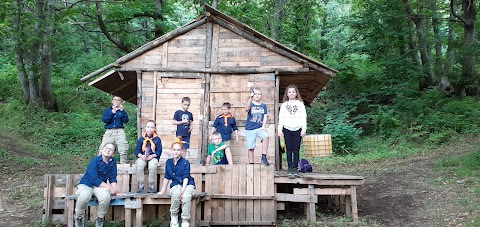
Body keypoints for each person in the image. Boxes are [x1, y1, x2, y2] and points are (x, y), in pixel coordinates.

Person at [74, 143, 121, 227]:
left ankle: (100, 219)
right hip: (87, 184)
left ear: (113, 153)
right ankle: (78, 217)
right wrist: (110, 188)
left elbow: (113, 177)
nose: (108, 150)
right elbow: (94, 179)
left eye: (111, 149)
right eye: (106, 148)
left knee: (106, 196)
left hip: (99, 187)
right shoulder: (95, 161)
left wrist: (115, 191)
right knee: (84, 195)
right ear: (102, 149)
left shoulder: (113, 162)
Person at [158, 138, 196, 227]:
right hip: (176, 185)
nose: (176, 152)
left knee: (186, 196)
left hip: (188, 184)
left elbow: (186, 177)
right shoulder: (168, 162)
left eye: (178, 150)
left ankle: (185, 220)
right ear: (171, 150)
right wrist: (163, 191)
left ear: (182, 151)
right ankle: (174, 216)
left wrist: (183, 190)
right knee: (176, 193)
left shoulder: (186, 163)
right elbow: (167, 177)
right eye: (174, 150)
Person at [277, 85, 307, 176]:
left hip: (298, 128)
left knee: (296, 149)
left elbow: (303, 117)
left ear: (296, 93)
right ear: (287, 94)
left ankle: (295, 167)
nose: (291, 93)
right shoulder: (284, 105)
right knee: (289, 149)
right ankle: (290, 168)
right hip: (287, 128)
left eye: (293, 92)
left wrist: (304, 129)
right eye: (289, 92)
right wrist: (279, 130)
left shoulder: (300, 104)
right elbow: (281, 118)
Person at [98, 95, 129, 164]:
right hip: (109, 131)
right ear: (112, 101)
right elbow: (104, 120)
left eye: (118, 100)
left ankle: (123, 165)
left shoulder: (122, 111)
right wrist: (112, 112)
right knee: (103, 148)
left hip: (120, 131)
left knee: (123, 148)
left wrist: (122, 111)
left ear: (121, 102)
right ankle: (100, 164)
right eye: (115, 100)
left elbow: (126, 120)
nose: (117, 102)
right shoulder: (107, 110)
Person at [134, 120, 162, 193]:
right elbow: (137, 151)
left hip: (152, 157)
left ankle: (151, 184)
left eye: (152, 127)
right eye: (148, 127)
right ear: (145, 128)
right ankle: (141, 183)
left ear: (155, 129)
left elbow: (159, 151)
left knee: (152, 166)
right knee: (139, 164)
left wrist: (153, 155)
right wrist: (140, 156)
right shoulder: (141, 139)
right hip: (143, 157)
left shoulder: (157, 139)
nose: (150, 129)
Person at [245, 87, 270, 165]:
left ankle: (263, 157)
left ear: (261, 96)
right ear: (253, 95)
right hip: (250, 128)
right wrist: (250, 97)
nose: (257, 95)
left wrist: (264, 126)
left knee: (266, 136)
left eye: (259, 94)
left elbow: (265, 116)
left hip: (259, 127)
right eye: (255, 94)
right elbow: (246, 109)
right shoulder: (251, 103)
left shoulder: (263, 106)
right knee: (251, 148)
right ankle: (251, 164)